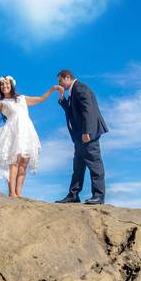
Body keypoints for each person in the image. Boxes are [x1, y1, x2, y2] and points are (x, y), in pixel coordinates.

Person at [54, 69, 109, 204]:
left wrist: (87, 132)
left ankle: (99, 196)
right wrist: (62, 98)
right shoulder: (72, 92)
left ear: (67, 77)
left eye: (60, 81)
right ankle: (73, 195)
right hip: (80, 136)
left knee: (95, 163)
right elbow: (71, 111)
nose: (60, 84)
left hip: (87, 134)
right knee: (78, 166)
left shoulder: (80, 88)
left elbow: (88, 110)